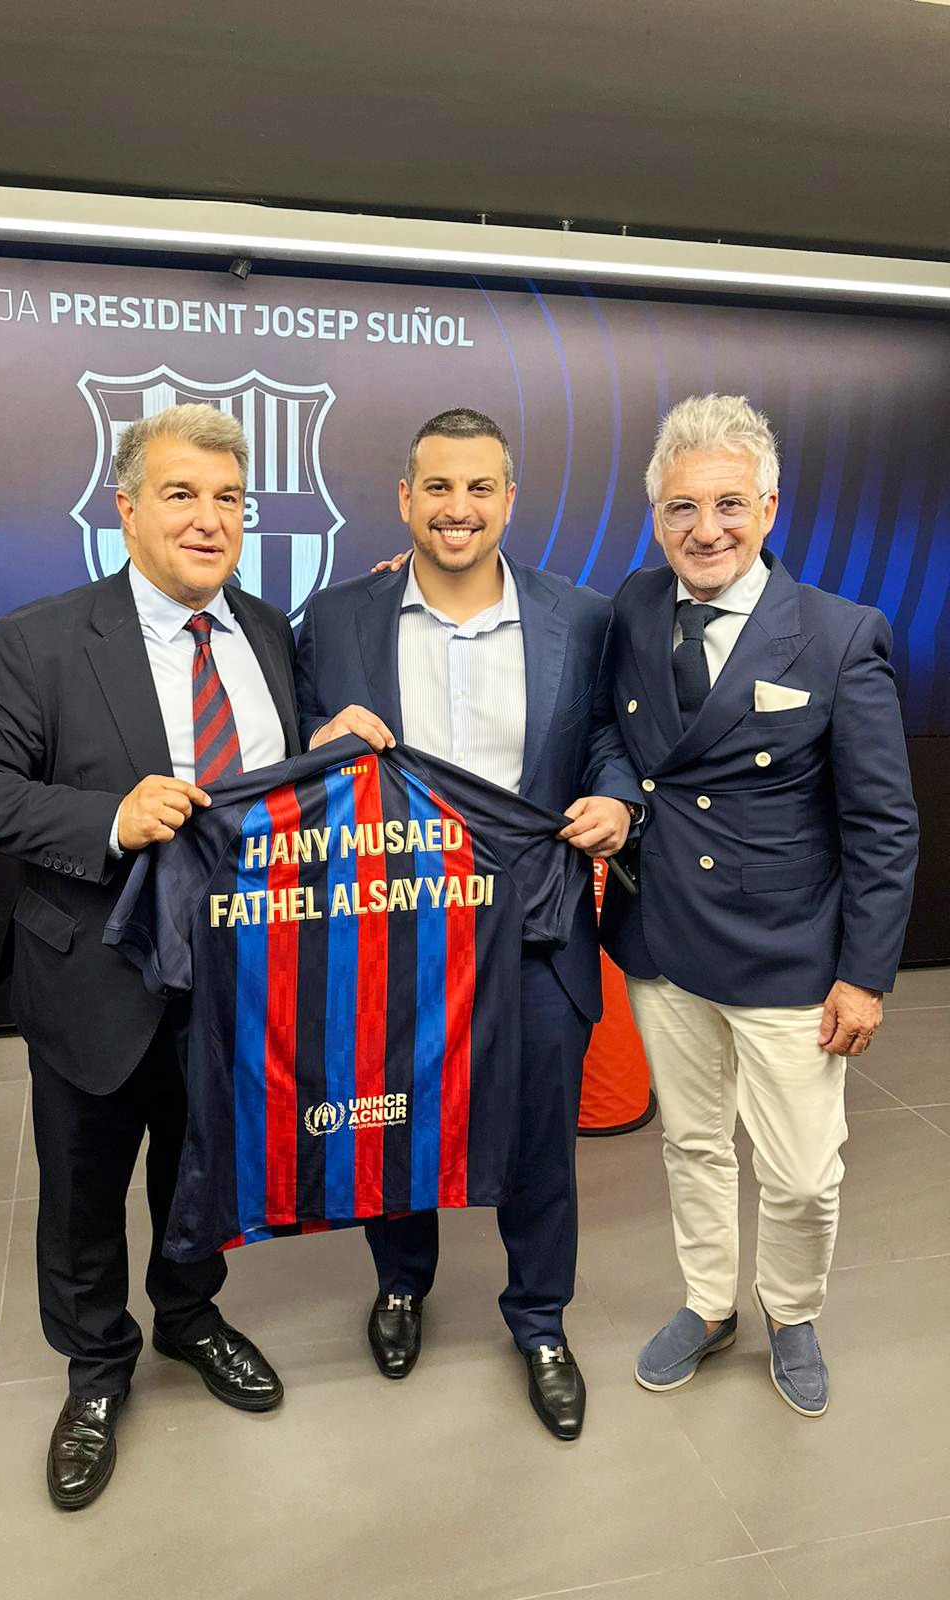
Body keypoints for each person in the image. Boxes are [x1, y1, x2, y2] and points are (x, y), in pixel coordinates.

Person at [0, 405, 300, 1509]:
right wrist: (108, 817)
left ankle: (189, 1313)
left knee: (202, 1168)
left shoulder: (271, 632)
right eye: (182, 495)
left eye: (229, 500)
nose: (208, 520)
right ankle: (96, 1368)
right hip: (97, 976)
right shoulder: (41, 638)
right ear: (128, 508)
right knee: (85, 1191)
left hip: (236, 977)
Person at [294, 407, 641, 1439]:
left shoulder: (582, 617)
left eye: (479, 487)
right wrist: (319, 737)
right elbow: (296, 742)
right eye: (438, 487)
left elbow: (608, 739)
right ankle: (401, 1284)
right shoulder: (333, 618)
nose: (459, 508)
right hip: (389, 928)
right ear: (405, 499)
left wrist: (617, 797)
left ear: (509, 499)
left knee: (541, 1141)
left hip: (537, 925)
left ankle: (540, 1320)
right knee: (392, 1119)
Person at [601, 393, 919, 1418]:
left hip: (789, 950)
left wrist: (864, 975)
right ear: (657, 516)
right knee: (692, 1142)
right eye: (682, 508)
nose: (706, 530)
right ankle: (709, 1304)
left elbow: (883, 823)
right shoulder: (635, 606)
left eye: (729, 504)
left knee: (802, 1173)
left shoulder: (839, 635)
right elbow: (609, 729)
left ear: (769, 509)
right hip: (662, 939)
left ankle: (790, 1311)